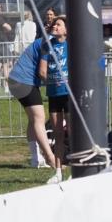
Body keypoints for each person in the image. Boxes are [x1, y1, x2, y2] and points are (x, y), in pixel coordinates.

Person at [9, 34, 55, 170]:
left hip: (19, 80)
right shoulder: (48, 42)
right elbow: (42, 72)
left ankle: (36, 159)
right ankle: (50, 158)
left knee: (34, 120)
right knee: (39, 118)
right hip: (23, 81)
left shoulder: (51, 42)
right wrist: (56, 86)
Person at [39, 16, 69, 184]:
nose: (55, 26)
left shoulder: (71, 45)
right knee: (57, 134)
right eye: (54, 24)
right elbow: (42, 71)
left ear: (66, 30)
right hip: (53, 94)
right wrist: (50, 80)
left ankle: (77, 169)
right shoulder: (46, 46)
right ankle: (58, 172)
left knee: (72, 132)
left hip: (69, 94)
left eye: (59, 24)